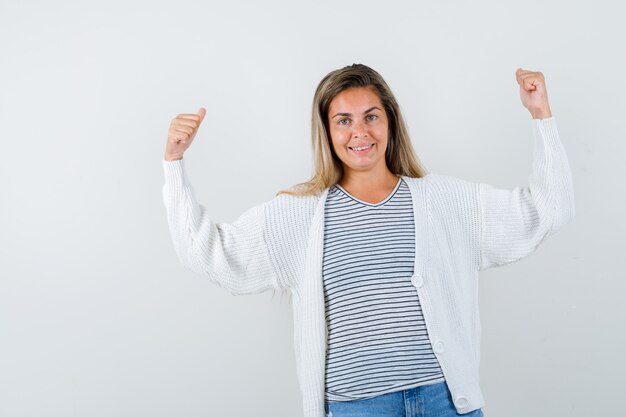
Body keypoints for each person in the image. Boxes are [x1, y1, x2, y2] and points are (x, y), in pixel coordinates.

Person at [161, 64, 575, 417]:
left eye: (371, 116)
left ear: (390, 121)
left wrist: (541, 115)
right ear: (327, 130)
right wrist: (174, 163)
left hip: (445, 401)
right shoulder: (297, 217)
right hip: (356, 407)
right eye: (344, 120)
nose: (359, 132)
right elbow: (208, 253)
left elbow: (547, 209)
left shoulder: (445, 201)